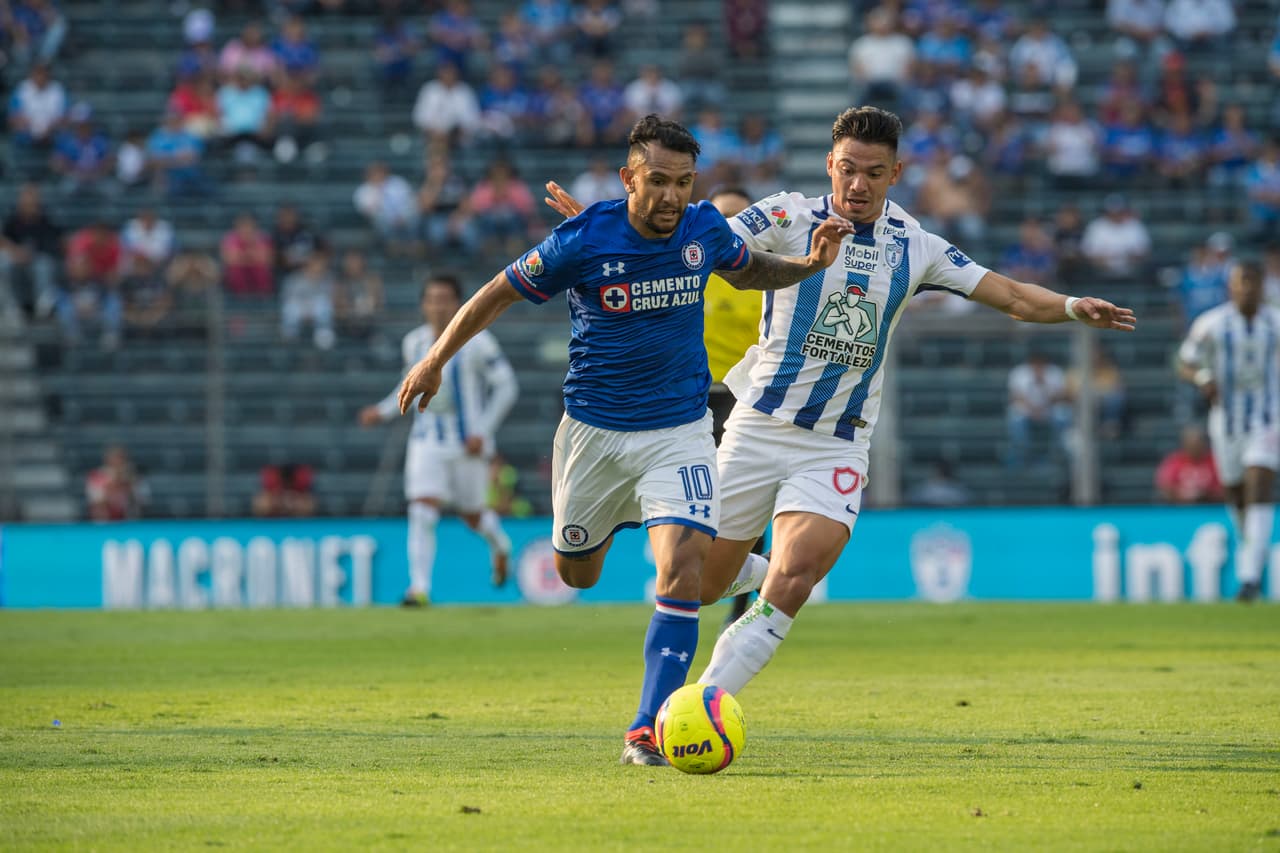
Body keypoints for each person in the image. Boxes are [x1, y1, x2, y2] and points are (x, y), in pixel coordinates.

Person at [548, 106, 1135, 702]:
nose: (858, 184)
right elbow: (697, 240)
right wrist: (619, 234)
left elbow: (1009, 295)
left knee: (795, 576)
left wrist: (1071, 306)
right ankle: (757, 577)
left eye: (874, 173)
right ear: (829, 164)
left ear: (895, 174)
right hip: (756, 427)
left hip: (836, 442)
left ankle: (704, 702)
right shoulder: (786, 215)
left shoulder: (917, 246)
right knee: (699, 585)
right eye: (848, 169)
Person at [396, 115, 855, 766]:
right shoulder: (584, 238)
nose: (672, 196)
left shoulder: (702, 227)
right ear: (628, 178)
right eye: (658, 181)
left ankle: (647, 729)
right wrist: (435, 359)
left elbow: (750, 270)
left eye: (683, 182)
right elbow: (495, 294)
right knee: (576, 572)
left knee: (683, 569)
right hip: (595, 435)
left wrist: (808, 265)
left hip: (680, 429)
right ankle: (750, 568)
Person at [361, 274, 519, 607]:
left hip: (468, 444)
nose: (438, 306)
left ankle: (501, 546)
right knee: (422, 509)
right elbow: (409, 385)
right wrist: (383, 411)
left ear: (459, 303)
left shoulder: (479, 341)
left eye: (445, 299)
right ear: (423, 305)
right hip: (426, 441)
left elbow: (507, 386)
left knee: (473, 516)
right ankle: (418, 589)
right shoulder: (414, 342)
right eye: (432, 299)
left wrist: (483, 431)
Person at [1177, 261, 1277, 602]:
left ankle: (1249, 577)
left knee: (1259, 481)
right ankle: (1251, 550)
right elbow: (1185, 360)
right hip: (1225, 422)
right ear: (1230, 286)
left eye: (1252, 281)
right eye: (1240, 281)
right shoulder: (1212, 323)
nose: (1246, 288)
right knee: (1236, 494)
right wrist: (1203, 377)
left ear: (1262, 286)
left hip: (1267, 418)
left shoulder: (1275, 322)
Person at [1155, 424, 1222, 504]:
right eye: (1191, 445)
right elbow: (1164, 488)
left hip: (1211, 507)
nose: (1195, 448)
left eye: (1197, 444)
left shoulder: (1215, 461)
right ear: (1184, 444)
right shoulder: (1174, 461)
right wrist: (1181, 494)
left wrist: (1205, 494)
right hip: (1179, 508)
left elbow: (1224, 489)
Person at [86, 445, 148, 521]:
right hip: (106, 515)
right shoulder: (98, 475)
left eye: (120, 458)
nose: (118, 461)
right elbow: (95, 500)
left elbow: (142, 500)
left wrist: (128, 487)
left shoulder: (135, 475)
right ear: (107, 459)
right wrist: (111, 487)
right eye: (115, 458)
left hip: (129, 514)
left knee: (135, 508)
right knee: (98, 509)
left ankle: (132, 524)